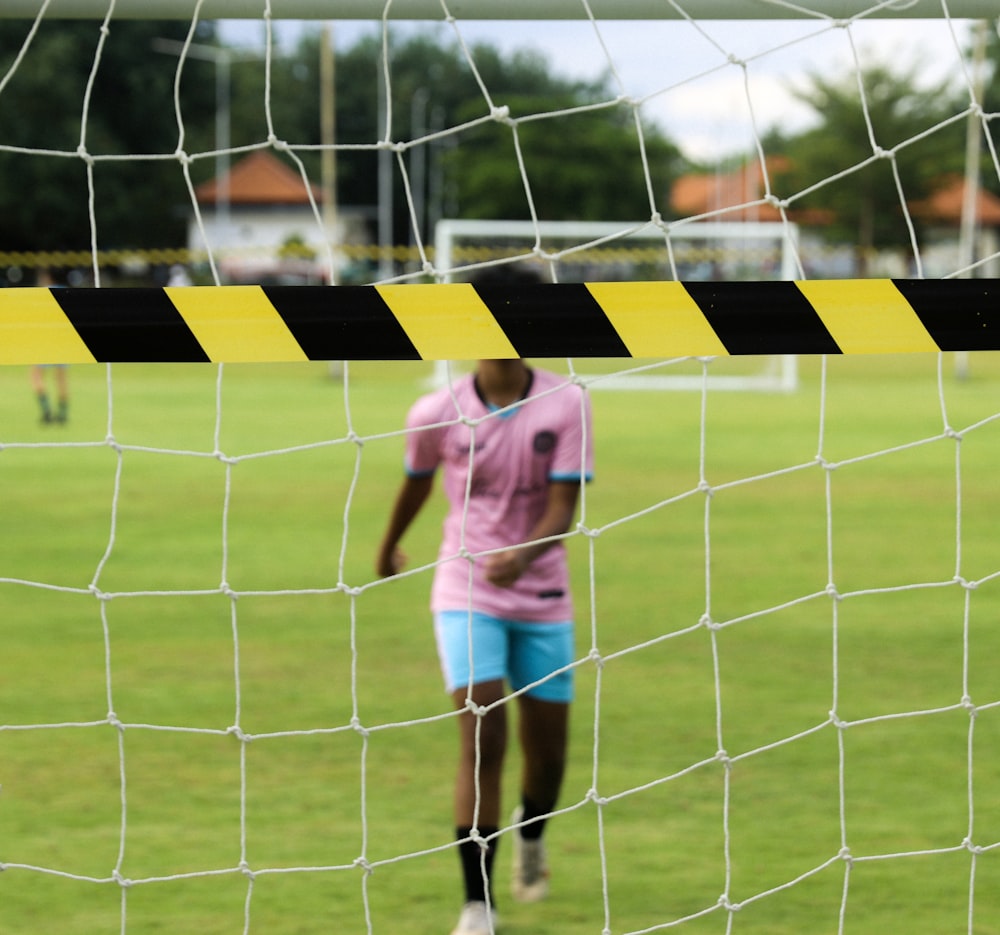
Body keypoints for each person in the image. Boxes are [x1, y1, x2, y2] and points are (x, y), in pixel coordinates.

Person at [376, 346, 593, 935]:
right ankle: (478, 905)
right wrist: (387, 545)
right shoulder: (435, 411)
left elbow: (563, 506)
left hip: (542, 593)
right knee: (483, 736)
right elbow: (417, 482)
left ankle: (533, 831)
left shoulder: (566, 401)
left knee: (548, 758)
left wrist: (521, 557)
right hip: (465, 587)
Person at [31, 269, 69, 424]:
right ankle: (62, 414)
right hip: (63, 340)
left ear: (47, 278)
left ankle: (46, 411)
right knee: (61, 377)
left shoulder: (42, 294)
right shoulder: (65, 292)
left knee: (36, 375)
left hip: (45, 339)